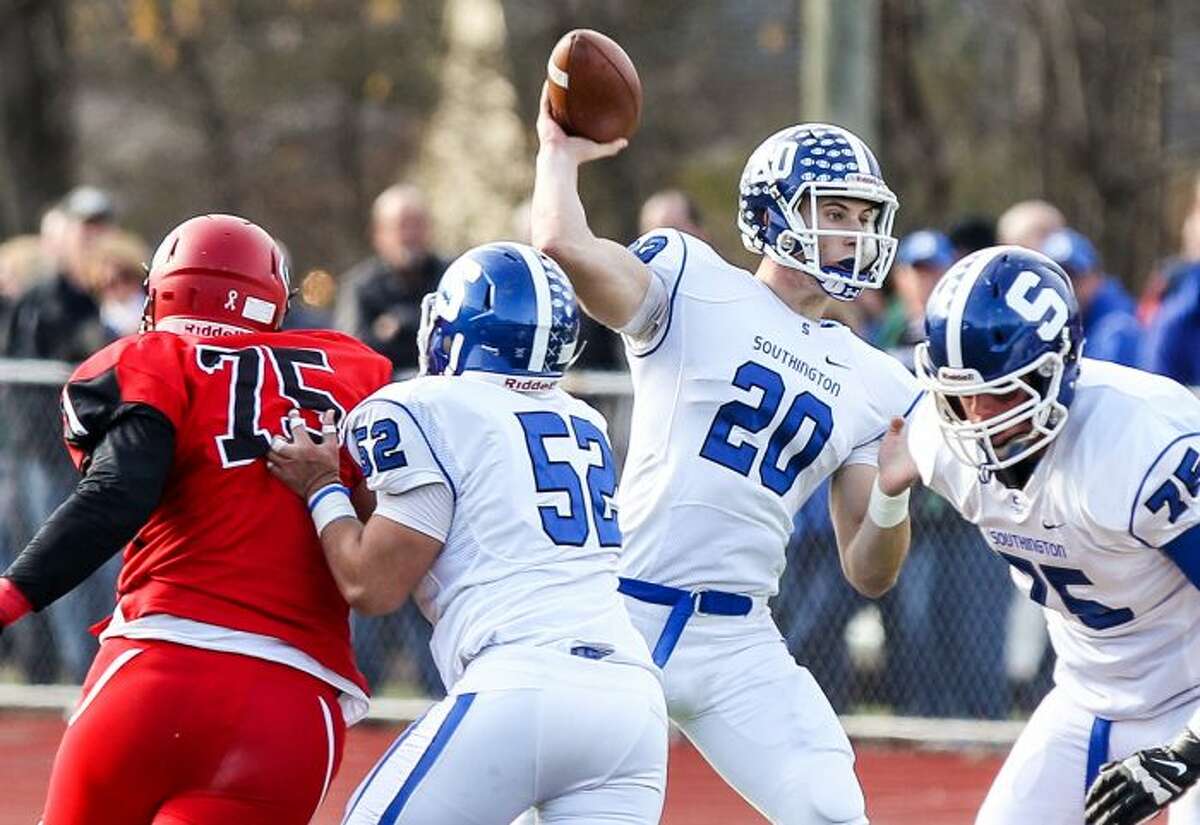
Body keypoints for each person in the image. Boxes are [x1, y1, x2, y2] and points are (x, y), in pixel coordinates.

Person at [532, 82, 918, 824]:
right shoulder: (692, 280)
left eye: (863, 217)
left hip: (737, 635)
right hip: (621, 611)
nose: (853, 234)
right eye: (833, 212)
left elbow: (867, 571)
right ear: (774, 212)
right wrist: (557, 154)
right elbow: (563, 245)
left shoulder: (875, 378)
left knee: (832, 808)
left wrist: (895, 495)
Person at [0, 214, 394, 825]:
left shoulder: (156, 359)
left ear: (161, 294)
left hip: (157, 670)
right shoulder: (358, 375)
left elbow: (115, 493)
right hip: (293, 700)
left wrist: (8, 598)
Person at [267, 242, 667, 824]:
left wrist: (323, 486)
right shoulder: (584, 418)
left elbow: (371, 585)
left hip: (524, 683)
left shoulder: (426, 406)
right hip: (632, 703)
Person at [878, 245, 1200, 824]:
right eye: (957, 392)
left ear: (1057, 372)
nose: (976, 415)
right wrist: (883, 498)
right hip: (1085, 696)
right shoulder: (936, 437)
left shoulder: (1140, 444)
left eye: (1000, 390)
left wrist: (1184, 752)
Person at [333, 184, 449, 371]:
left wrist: (401, 324)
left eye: (417, 225)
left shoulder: (450, 276)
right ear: (379, 234)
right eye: (401, 226)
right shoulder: (360, 286)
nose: (410, 236)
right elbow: (352, 354)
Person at [1041, 228, 1141, 367]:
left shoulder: (1117, 328)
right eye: (1055, 278)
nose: (1066, 286)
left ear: (1096, 276)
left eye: (1073, 276)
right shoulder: (1045, 323)